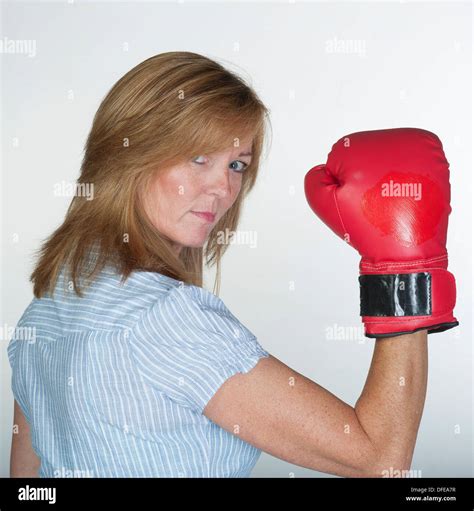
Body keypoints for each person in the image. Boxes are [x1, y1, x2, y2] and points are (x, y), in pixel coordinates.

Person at [7, 51, 457, 478]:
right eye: (198, 157)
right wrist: (404, 267)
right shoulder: (169, 320)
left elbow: (28, 481)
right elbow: (378, 457)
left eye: (237, 164)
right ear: (128, 156)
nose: (223, 187)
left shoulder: (44, 312)